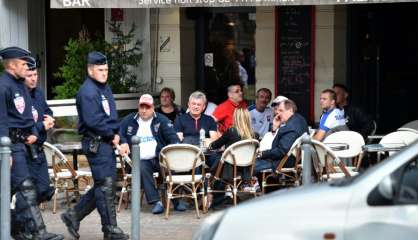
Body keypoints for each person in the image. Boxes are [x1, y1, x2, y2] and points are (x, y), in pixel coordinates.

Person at [61, 51, 129, 240]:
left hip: (106, 142)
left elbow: (112, 117)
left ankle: (73, 215)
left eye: (106, 69)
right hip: (96, 143)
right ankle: (110, 229)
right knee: (106, 185)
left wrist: (120, 137)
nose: (104, 73)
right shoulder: (88, 91)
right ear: (90, 70)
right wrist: (112, 136)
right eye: (100, 69)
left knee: (103, 185)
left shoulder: (104, 88)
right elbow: (94, 121)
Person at [0, 46, 63, 240]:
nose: (27, 68)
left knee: (16, 189)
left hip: (26, 145)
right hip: (11, 145)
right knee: (26, 187)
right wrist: (5, 152)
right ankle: (39, 232)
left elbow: (27, 118)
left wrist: (35, 131)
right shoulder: (3, 86)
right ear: (11, 64)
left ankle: (17, 230)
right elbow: (1, 120)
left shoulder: (20, 85)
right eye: (23, 64)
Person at [118, 94, 184, 214]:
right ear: (138, 107)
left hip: (159, 157)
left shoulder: (161, 119)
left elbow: (173, 138)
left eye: (147, 107)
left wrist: (171, 151)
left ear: (153, 107)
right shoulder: (129, 120)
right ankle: (156, 202)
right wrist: (123, 142)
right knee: (142, 166)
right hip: (138, 161)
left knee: (170, 165)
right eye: (141, 107)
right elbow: (118, 133)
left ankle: (175, 200)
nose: (144, 110)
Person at [23, 56, 56, 203]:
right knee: (28, 192)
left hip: (39, 150)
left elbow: (47, 110)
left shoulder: (39, 93)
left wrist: (49, 118)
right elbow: (23, 125)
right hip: (26, 151)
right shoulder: (19, 96)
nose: (33, 79)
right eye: (29, 76)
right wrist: (41, 126)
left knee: (44, 190)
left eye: (35, 75)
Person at [254, 99, 308, 173]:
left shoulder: (290, 128)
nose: (277, 113)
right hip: (289, 160)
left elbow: (281, 150)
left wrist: (262, 154)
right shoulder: (300, 119)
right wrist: (275, 127)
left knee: (248, 165)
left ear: (290, 110)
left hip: (280, 163)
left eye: (281, 110)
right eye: (277, 111)